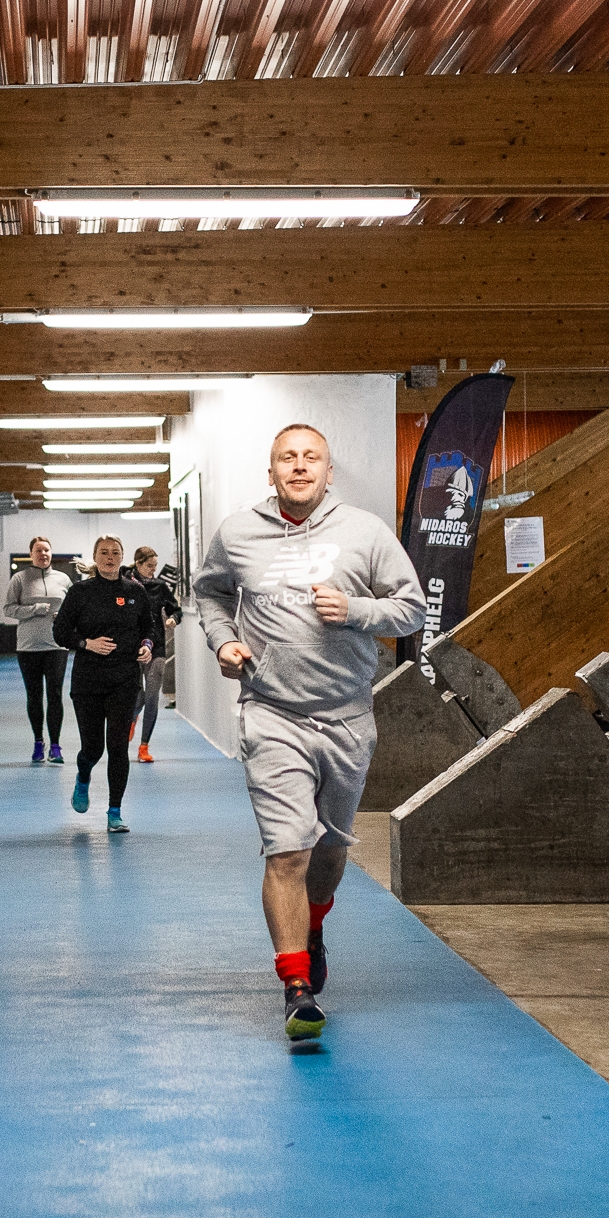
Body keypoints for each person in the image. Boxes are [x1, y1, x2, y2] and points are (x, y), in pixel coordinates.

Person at [192, 425, 425, 1043]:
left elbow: (412, 607)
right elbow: (210, 593)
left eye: (310, 458)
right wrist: (224, 640)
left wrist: (356, 612)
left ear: (328, 470)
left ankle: (314, 922)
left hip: (347, 717)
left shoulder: (367, 532)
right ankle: (297, 987)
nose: (299, 467)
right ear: (271, 472)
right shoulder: (239, 533)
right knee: (288, 850)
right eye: (286, 459)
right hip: (271, 714)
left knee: (329, 852)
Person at [51, 534, 162, 834]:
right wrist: (86, 643)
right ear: (96, 558)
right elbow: (60, 632)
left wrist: (148, 645)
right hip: (88, 680)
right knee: (93, 748)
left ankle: (115, 811)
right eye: (104, 552)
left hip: (124, 679)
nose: (110, 557)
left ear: (123, 556)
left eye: (115, 552)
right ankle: (83, 774)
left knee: (117, 746)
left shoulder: (134, 591)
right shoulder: (80, 592)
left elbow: (148, 627)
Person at [0, 537, 72, 764]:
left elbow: (74, 607)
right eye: (38, 550)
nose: (43, 554)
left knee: (55, 695)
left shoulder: (63, 579)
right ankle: (38, 742)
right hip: (28, 647)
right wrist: (34, 609)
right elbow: (8, 609)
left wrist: (66, 617)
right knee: (34, 696)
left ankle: (56, 745)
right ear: (31, 554)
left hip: (57, 646)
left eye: (47, 550)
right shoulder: (19, 579)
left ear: (52, 553)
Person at [128, 545, 181, 763]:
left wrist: (173, 619)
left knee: (151, 696)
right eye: (149, 566)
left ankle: (144, 746)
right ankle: (131, 720)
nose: (153, 570)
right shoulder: (124, 584)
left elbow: (176, 609)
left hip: (156, 645)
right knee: (137, 695)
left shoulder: (160, 586)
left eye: (155, 566)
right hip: (131, 646)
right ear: (138, 564)